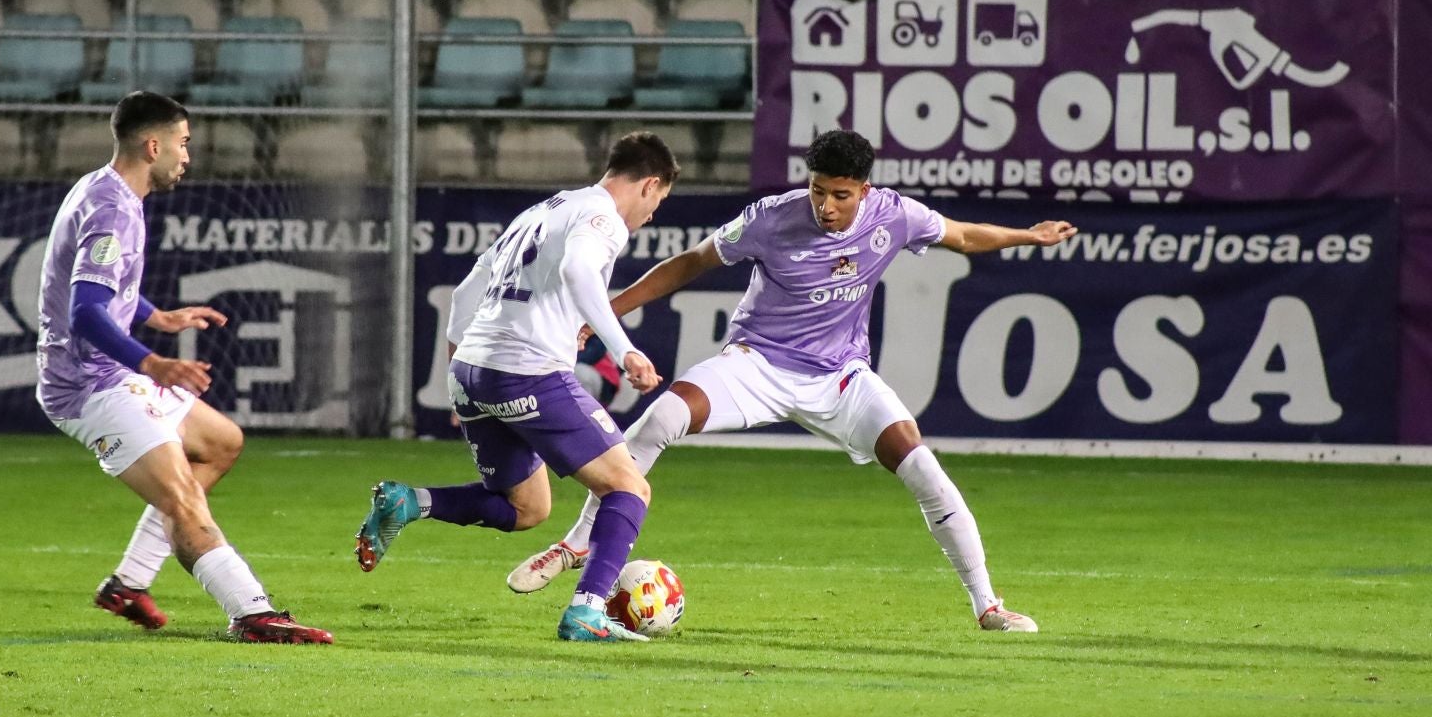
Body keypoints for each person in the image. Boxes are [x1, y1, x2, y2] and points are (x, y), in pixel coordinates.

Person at [508, 129, 1068, 633]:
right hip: (757, 367)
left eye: (840, 195)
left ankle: (988, 606)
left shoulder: (894, 216)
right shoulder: (770, 217)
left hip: (840, 377)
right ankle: (577, 543)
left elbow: (964, 236)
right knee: (661, 418)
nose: (825, 205)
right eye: (818, 190)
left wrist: (1028, 236)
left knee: (923, 468)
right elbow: (691, 262)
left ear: (865, 191)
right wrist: (611, 309)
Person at [353, 132, 681, 644]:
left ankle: (408, 501)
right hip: (527, 372)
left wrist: (457, 375)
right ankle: (588, 611)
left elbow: (465, 293)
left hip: (473, 372)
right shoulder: (602, 217)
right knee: (628, 486)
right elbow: (578, 270)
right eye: (657, 204)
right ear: (650, 184)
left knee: (528, 509)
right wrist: (625, 351)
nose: (650, 216)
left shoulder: (540, 212)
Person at [36, 91, 332, 645]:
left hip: (113, 374)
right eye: (183, 143)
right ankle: (251, 613)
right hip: (89, 387)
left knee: (221, 442)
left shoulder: (105, 189)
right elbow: (85, 311)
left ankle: (128, 584)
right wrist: (152, 361)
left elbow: (110, 290)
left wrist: (158, 316)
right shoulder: (111, 210)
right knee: (181, 497)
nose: (187, 155)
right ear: (153, 146)